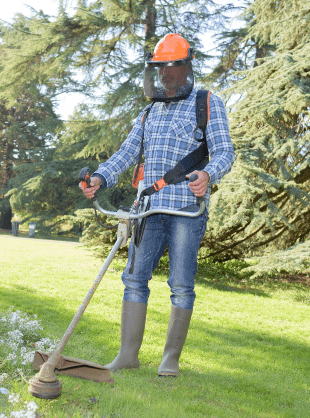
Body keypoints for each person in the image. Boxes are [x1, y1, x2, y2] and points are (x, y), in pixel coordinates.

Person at [80, 33, 236, 376]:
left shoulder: (207, 102)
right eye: (160, 68)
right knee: (134, 279)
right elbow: (125, 153)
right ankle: (127, 356)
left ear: (186, 68)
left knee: (181, 286)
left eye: (173, 67)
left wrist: (208, 175)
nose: (166, 74)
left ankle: (170, 360)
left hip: (185, 210)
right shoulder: (149, 112)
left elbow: (225, 151)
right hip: (147, 209)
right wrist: (100, 178)